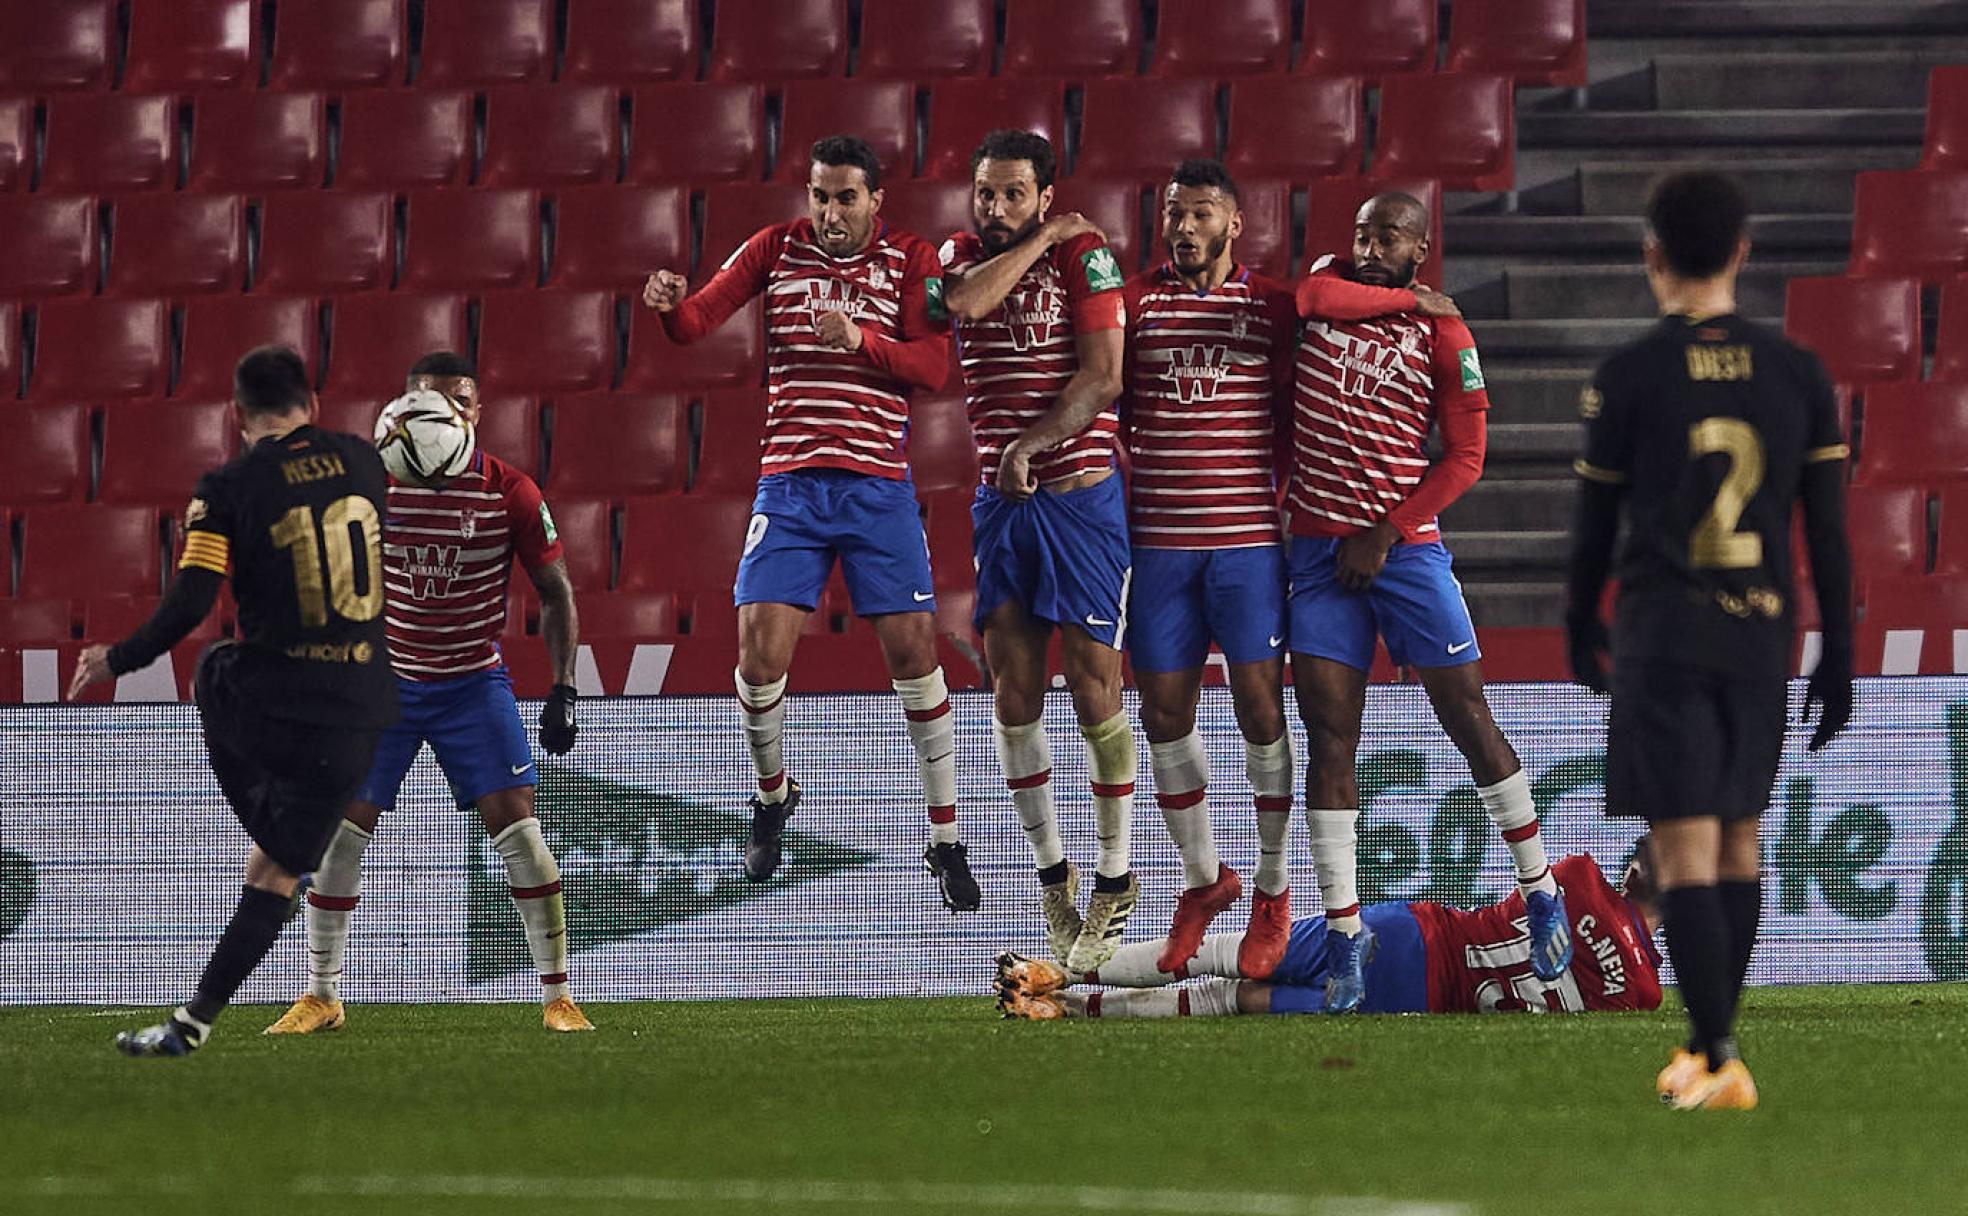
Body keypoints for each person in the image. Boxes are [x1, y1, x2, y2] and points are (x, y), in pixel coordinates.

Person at [1567, 170, 1854, 1111]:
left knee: (1684, 851)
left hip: (1668, 636)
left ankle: (1722, 1056)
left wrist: (1578, 622)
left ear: (1652, 255)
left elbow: (1593, 528)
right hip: (1762, 641)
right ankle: (1706, 1047)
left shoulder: (1630, 376)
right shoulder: (1798, 373)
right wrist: (1840, 654)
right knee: (1739, 843)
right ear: (1743, 250)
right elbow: (1828, 528)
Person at [641, 135, 980, 913]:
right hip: (790, 487)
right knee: (758, 661)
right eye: (821, 197)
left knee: (913, 657)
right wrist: (668, 305)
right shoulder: (775, 249)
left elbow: (934, 368)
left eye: (846, 198)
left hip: (875, 490)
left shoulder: (912, 259)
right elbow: (696, 323)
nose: (830, 213)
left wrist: (862, 340)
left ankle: (945, 835)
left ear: (875, 201)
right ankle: (772, 797)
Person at [1287, 192, 1571, 1013]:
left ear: (1423, 244)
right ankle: (1344, 937)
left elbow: (1468, 457)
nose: (1370, 246)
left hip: (1404, 550)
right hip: (1315, 553)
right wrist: (1413, 295)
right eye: (1363, 231)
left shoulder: (1447, 335)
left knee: (1468, 714)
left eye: (1391, 237)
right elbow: (1313, 299)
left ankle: (1540, 885)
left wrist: (1388, 527)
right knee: (1331, 738)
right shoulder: (1328, 287)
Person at [69, 346, 398, 1056]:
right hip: (366, 707)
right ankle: (191, 1026)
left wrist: (115, 659)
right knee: (276, 869)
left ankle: (265, 815)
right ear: (310, 403)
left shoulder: (229, 489)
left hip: (282, 701)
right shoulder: (366, 462)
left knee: (214, 665)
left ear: (237, 415)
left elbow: (191, 604)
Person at [266, 352, 592, 1035]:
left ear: (476, 411)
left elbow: (556, 593)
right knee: (337, 842)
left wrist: (564, 688)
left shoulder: (512, 492)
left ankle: (559, 997)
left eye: (460, 401)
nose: (445, 413)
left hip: (472, 684)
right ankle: (323, 996)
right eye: (427, 402)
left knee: (526, 842)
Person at [938, 129, 1135, 971]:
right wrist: (1041, 240)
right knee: (1012, 688)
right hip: (1001, 507)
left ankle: (1115, 879)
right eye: (986, 192)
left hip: (1079, 497)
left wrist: (1028, 444)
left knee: (1095, 688)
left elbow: (1103, 377)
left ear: (1044, 193)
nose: (995, 208)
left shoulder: (1089, 259)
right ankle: (1051, 880)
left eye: (1015, 194)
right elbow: (968, 306)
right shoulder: (960, 256)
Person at [1118, 159, 1301, 978]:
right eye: (1173, 214)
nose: (1184, 228)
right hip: (1158, 547)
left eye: (1201, 215)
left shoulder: (1270, 309)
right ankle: (1204, 880)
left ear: (1235, 225)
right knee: (1163, 713)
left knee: (1260, 708)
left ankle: (1271, 888)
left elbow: (1300, 411)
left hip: (1246, 546)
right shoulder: (1133, 304)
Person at [997, 847, 1662, 1020]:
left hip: (1413, 938)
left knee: (1240, 955)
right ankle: (1069, 1007)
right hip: (1422, 999)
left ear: (1639, 868)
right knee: (1240, 1000)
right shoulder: (1642, 993)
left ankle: (1061, 972)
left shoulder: (1580, 875)